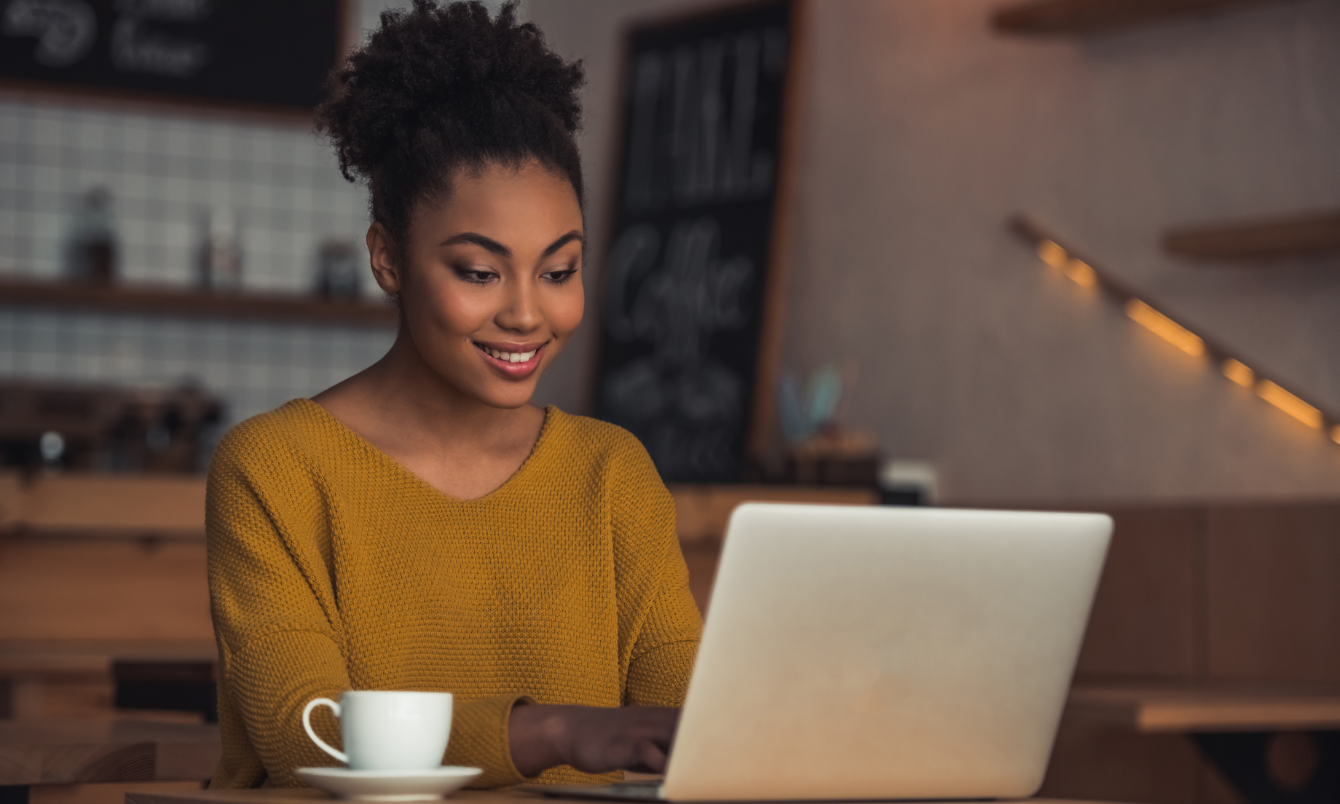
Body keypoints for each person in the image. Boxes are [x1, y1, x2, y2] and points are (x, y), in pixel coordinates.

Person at [205, 0, 701, 790]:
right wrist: (558, 729)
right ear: (389, 258)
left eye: (560, 269)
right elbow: (306, 731)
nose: (528, 313)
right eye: (479, 271)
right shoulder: (276, 467)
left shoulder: (614, 474)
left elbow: (689, 723)